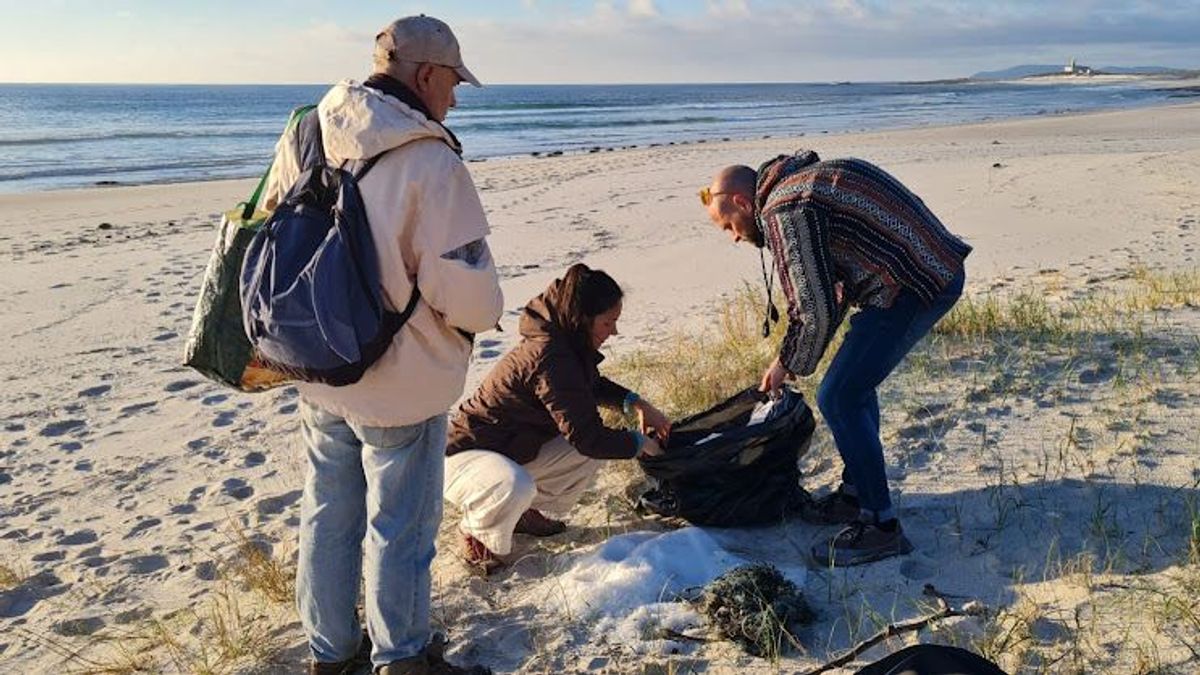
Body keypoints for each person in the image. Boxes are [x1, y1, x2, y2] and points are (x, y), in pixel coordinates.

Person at [259, 15, 502, 675]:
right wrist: (477, 321)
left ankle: (332, 653)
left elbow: (275, 229)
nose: (454, 96)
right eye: (452, 80)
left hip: (317, 359)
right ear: (426, 74)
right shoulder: (428, 155)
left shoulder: (307, 127)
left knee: (328, 510)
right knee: (400, 525)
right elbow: (466, 287)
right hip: (403, 375)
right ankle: (401, 657)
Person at [701, 151, 970, 567]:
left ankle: (880, 527)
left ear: (741, 202)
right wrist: (790, 356)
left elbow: (815, 305)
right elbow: (832, 286)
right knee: (852, 387)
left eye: (729, 226)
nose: (734, 237)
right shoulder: (800, 183)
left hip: (916, 283)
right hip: (926, 268)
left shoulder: (785, 209)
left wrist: (786, 362)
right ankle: (856, 493)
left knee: (838, 397)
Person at [443, 264, 670, 574]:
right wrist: (641, 444)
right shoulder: (550, 353)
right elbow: (587, 436)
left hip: (512, 449)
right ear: (583, 319)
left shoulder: (567, 339)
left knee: (585, 454)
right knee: (519, 481)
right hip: (464, 456)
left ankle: (521, 512)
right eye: (608, 323)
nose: (613, 332)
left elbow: (588, 386)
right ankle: (475, 532)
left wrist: (635, 403)